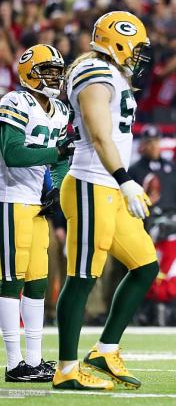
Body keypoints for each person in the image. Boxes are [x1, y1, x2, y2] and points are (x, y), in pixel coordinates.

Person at [53, 11, 159, 391]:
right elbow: (99, 136)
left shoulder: (112, 73)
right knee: (82, 277)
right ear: (118, 40)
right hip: (91, 184)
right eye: (136, 46)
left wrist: (121, 184)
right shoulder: (93, 73)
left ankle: (104, 349)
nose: (139, 55)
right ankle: (65, 368)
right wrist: (125, 179)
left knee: (145, 265)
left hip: (109, 188)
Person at [0, 44, 73, 383]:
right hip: (11, 197)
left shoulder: (59, 109)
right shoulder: (13, 102)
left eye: (58, 71)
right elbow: (13, 153)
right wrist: (55, 151)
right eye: (48, 70)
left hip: (36, 203)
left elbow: (60, 159)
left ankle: (33, 359)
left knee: (38, 282)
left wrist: (55, 187)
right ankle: (15, 363)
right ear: (29, 71)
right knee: (10, 280)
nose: (54, 77)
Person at [129, 124, 176, 209]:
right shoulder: (134, 170)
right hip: (147, 218)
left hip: (172, 217)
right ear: (142, 145)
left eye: (156, 141)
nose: (153, 146)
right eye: (149, 142)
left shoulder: (172, 167)